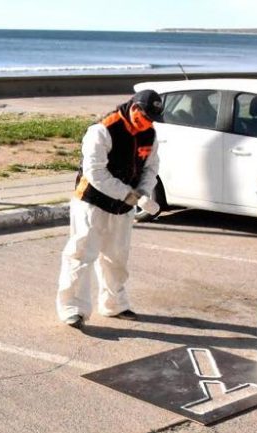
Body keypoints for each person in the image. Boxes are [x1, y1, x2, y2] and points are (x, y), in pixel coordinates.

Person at [56, 89, 164, 329]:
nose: (149, 124)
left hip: (124, 206)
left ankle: (114, 304)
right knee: (81, 255)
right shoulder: (102, 130)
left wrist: (144, 192)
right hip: (91, 202)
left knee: (117, 258)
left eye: (153, 120)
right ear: (135, 109)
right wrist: (126, 193)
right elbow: (95, 172)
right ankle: (73, 309)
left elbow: (151, 167)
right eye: (147, 118)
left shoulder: (150, 133)